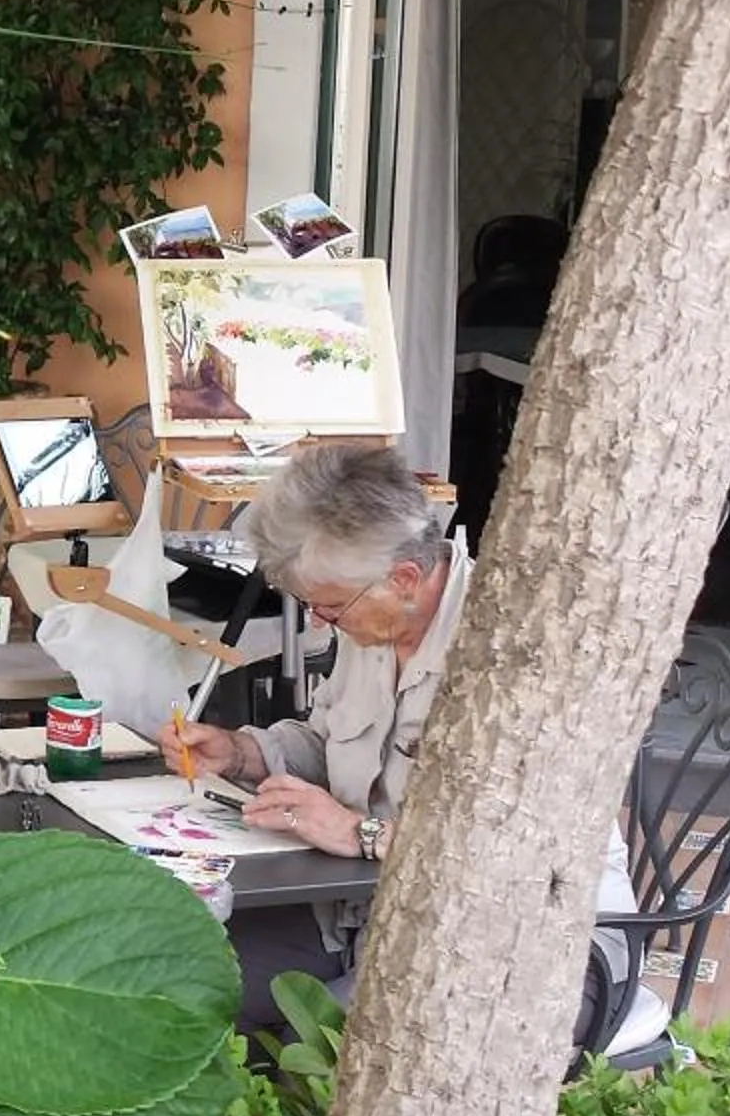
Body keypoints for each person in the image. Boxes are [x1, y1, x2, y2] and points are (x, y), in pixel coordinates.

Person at [158, 444, 632, 1037]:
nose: (319, 625)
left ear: (405, 577)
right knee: (178, 992)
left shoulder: (515, 657)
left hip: (519, 947)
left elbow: (519, 853)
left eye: (329, 607)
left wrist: (362, 832)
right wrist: (241, 752)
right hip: (362, 914)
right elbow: (325, 742)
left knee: (318, 1054)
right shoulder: (377, 614)